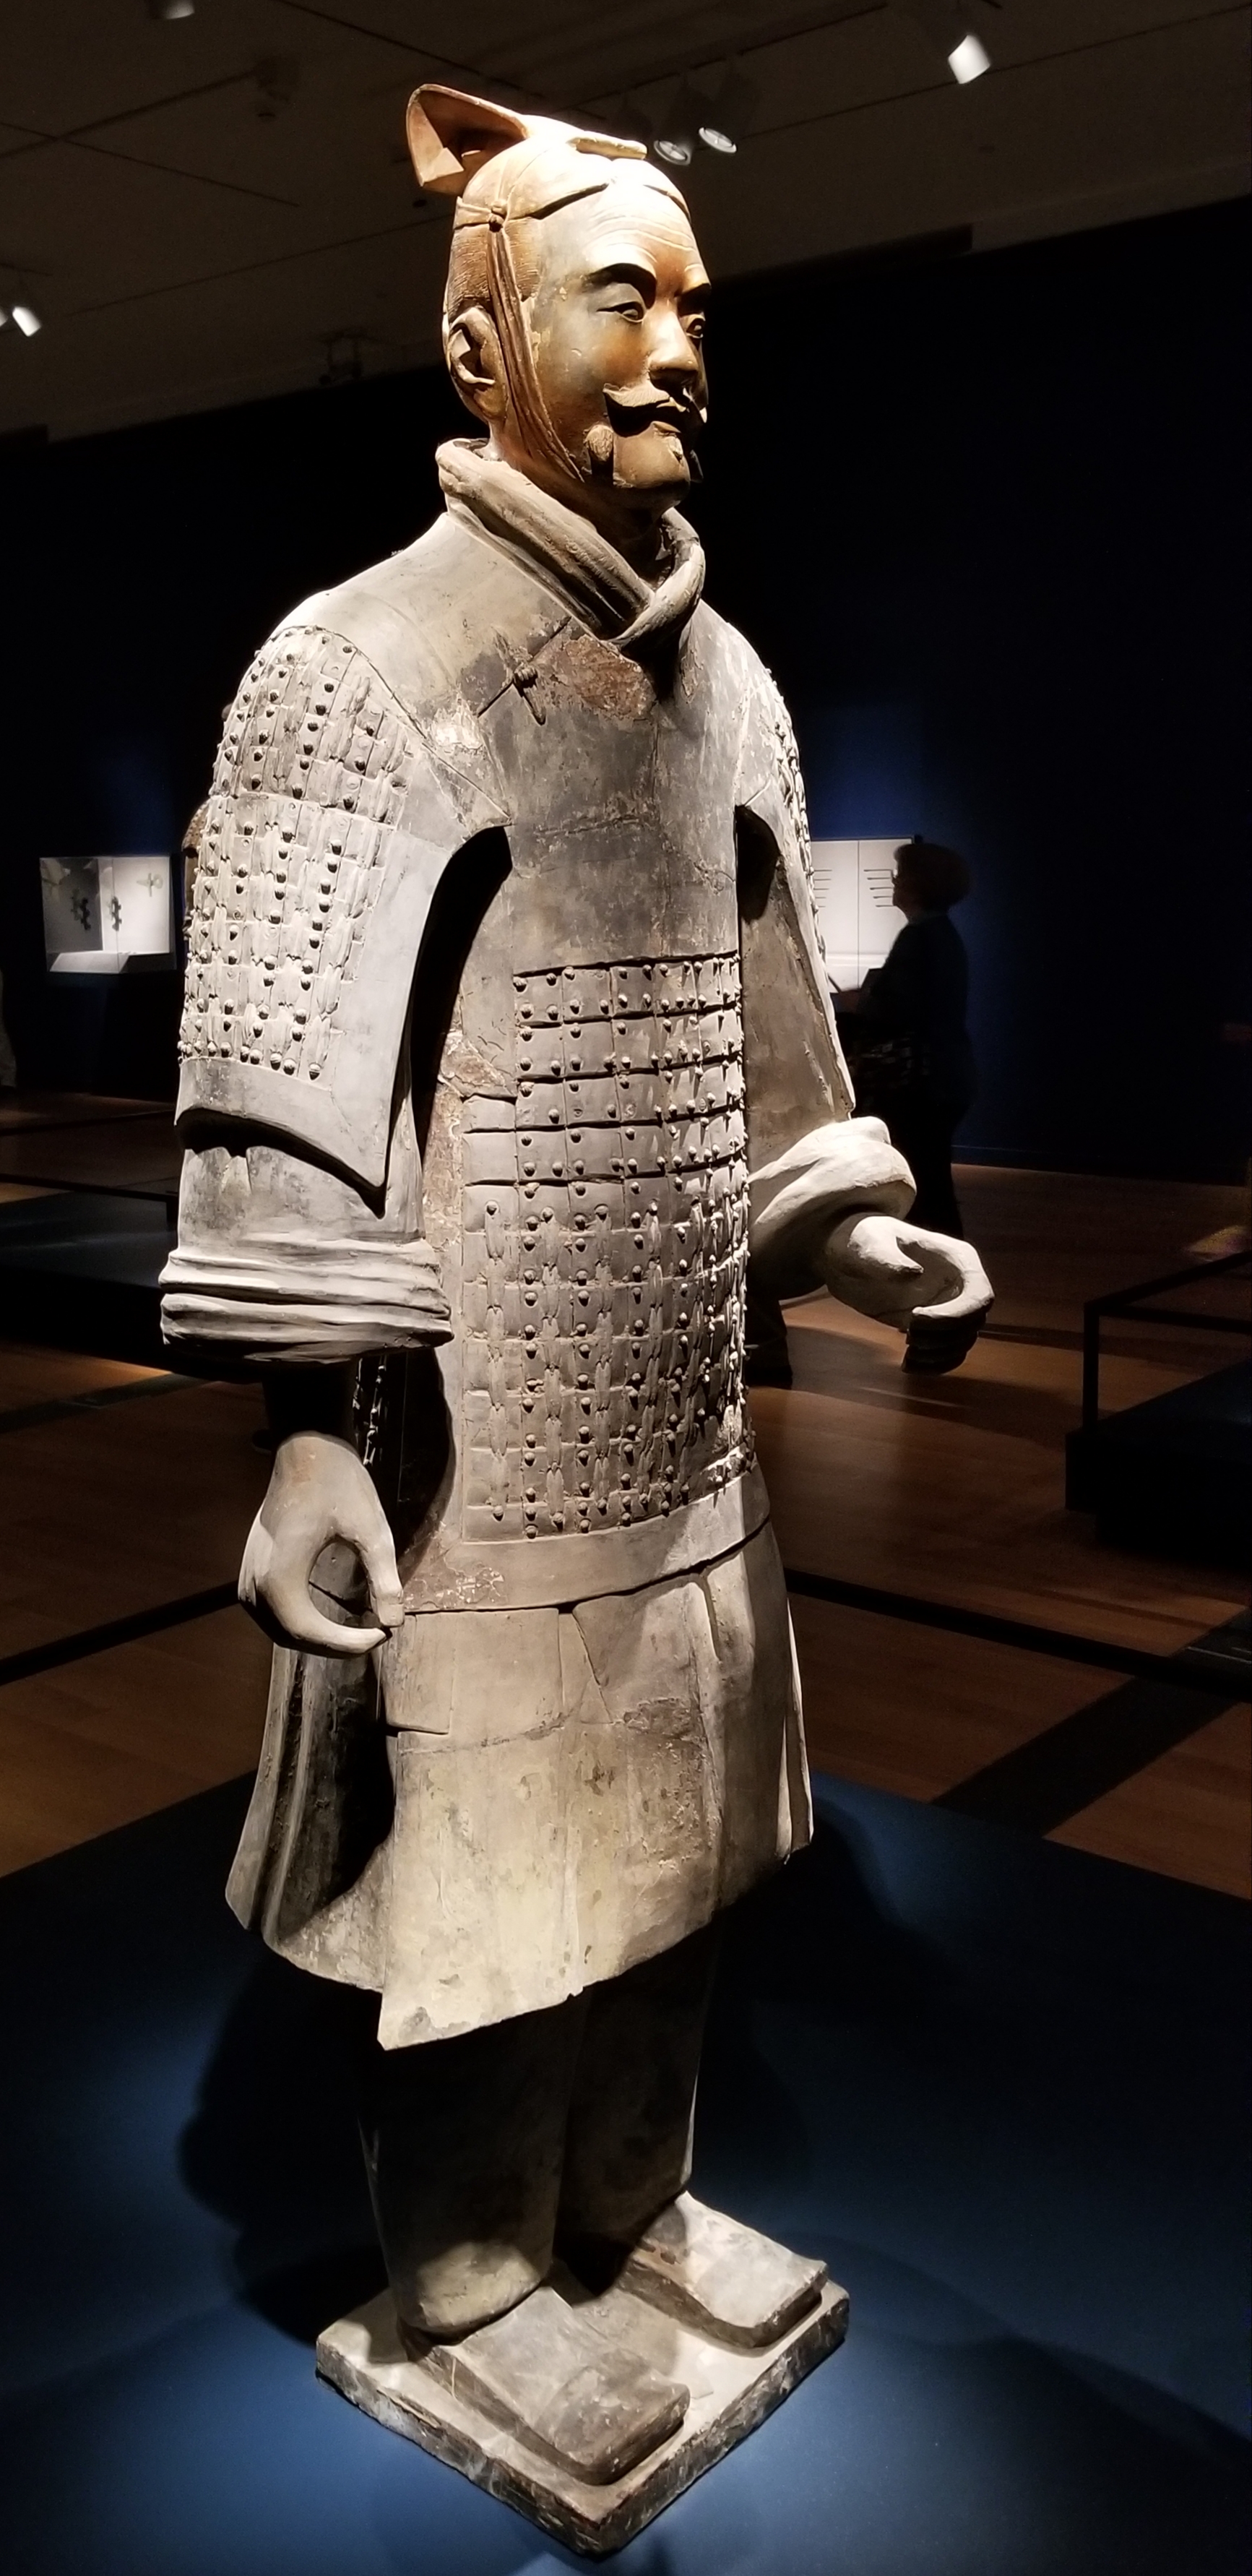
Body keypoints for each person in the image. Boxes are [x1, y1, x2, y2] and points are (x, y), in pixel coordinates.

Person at [158, 82, 993, 2493]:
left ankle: (628, 2209)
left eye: (694, 305)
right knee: (488, 1894)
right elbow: (285, 1092)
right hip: (469, 1452)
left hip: (685, 1436)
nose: (678, 349)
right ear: (478, 341)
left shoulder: (732, 686)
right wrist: (311, 1430)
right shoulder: (354, 668)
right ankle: (472, 2285)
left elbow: (774, 1056)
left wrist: (843, 1222)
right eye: (622, 298)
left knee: (669, 1868)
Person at [850, 835, 975, 1239]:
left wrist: (861, 1001)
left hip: (921, 1084)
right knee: (932, 1180)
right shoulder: (939, 935)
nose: (894, 880)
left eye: (900, 873)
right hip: (943, 1077)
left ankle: (938, 1264)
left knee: (925, 1185)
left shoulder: (920, 937)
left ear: (920, 883)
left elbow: (895, 1010)